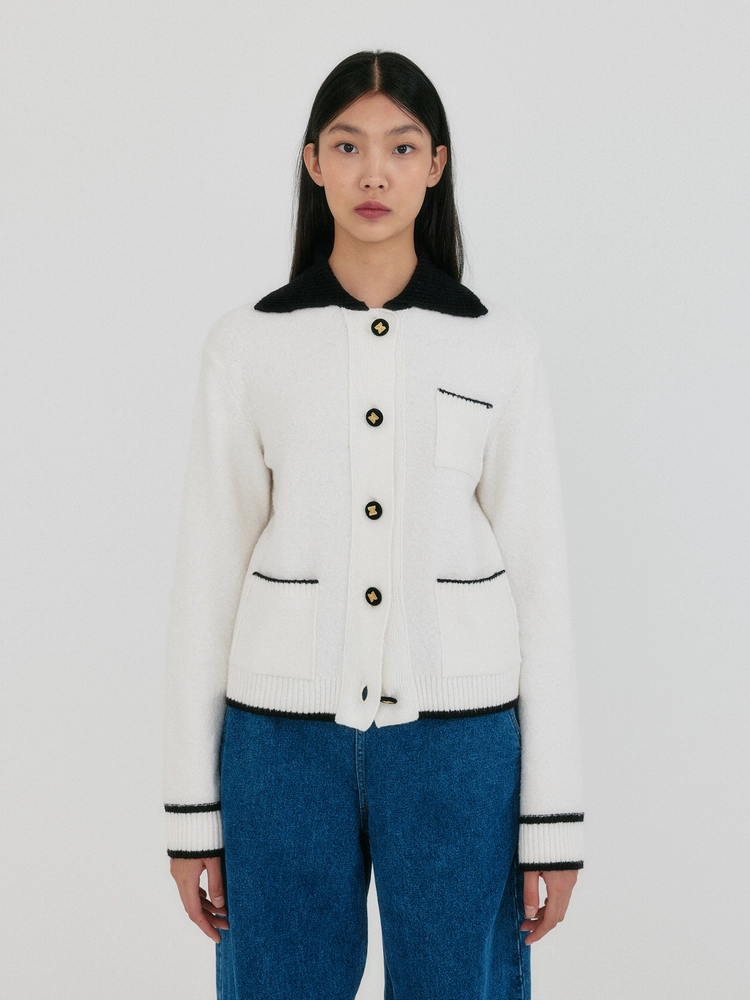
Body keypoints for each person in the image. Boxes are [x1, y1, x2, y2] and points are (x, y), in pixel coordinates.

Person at [163, 49, 585, 1000]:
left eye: (400, 147)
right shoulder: (247, 344)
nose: (374, 174)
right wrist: (193, 813)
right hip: (279, 750)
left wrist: (552, 824)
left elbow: (541, 580)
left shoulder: (498, 345)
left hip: (461, 749)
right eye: (348, 146)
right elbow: (206, 578)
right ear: (313, 161)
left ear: (436, 164)